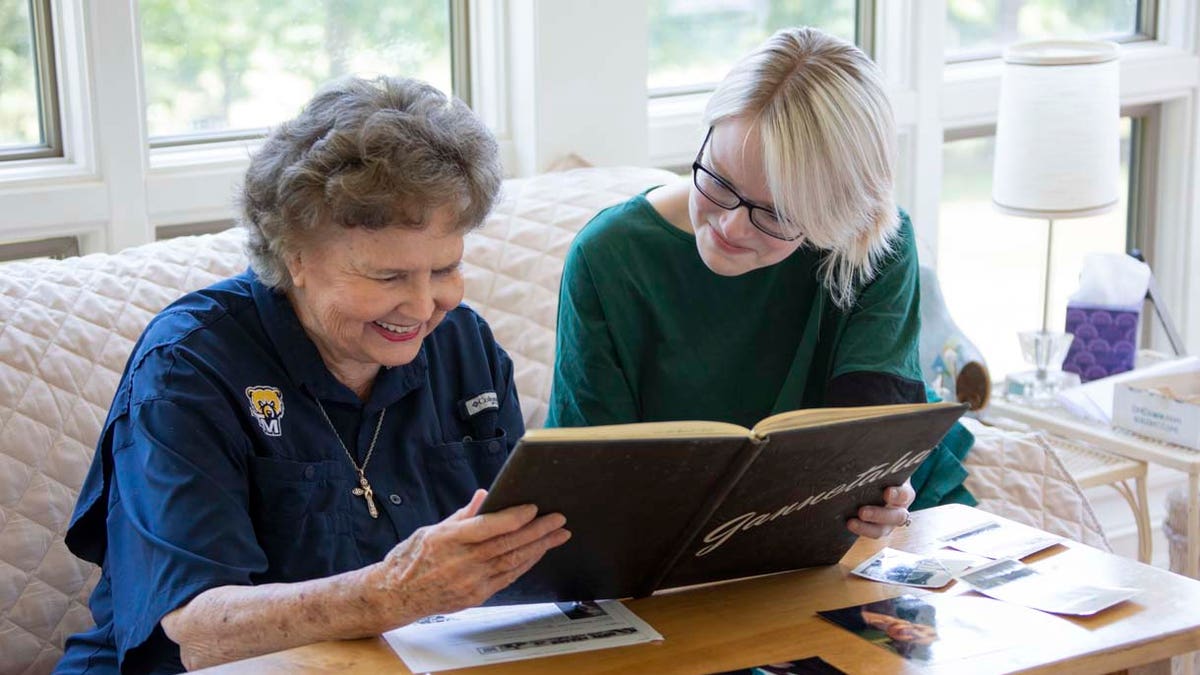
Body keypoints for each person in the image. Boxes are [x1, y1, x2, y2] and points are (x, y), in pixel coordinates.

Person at [55, 76, 571, 674]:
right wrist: (391, 593)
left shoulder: (463, 342)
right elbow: (194, 630)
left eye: (445, 269)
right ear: (294, 255)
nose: (423, 305)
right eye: (388, 277)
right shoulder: (189, 366)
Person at [547, 26, 975, 539]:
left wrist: (884, 491)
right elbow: (594, 477)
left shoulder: (872, 243)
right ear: (705, 134)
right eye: (720, 181)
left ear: (834, 216)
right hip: (665, 538)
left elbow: (869, 440)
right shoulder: (608, 256)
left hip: (857, 531)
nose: (730, 226)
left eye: (774, 213)